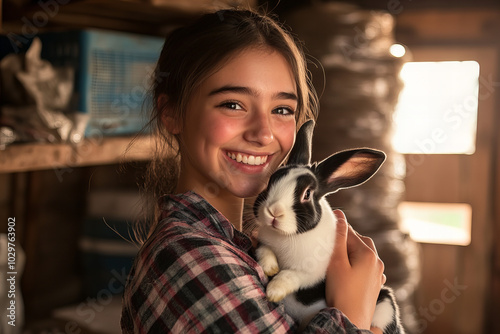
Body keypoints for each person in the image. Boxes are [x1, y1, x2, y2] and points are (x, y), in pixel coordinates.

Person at [121, 8, 386, 333]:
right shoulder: (195, 261)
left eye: (282, 109)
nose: (263, 134)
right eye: (233, 104)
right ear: (171, 113)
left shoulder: (250, 246)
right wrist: (352, 312)